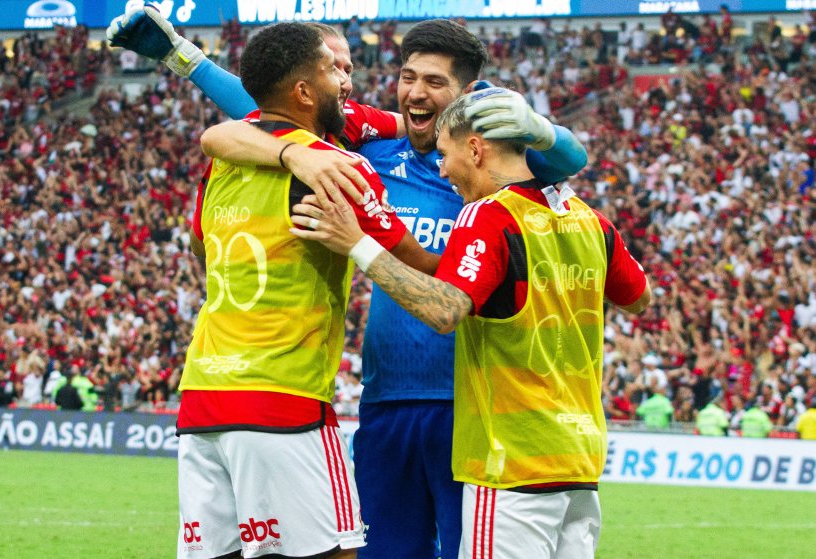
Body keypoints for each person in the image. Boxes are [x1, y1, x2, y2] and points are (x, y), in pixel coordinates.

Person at [109, 10, 588, 559]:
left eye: (435, 82)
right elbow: (269, 114)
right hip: (386, 405)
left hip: (474, 404)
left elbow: (572, 159)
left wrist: (538, 126)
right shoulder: (370, 149)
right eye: (409, 77)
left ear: (468, 94)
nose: (416, 92)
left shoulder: (496, 163)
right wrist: (184, 60)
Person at [291, 88, 650, 559]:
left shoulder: (487, 214)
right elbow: (639, 298)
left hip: (510, 463)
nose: (441, 168)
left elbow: (444, 310)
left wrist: (357, 244)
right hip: (579, 462)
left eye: (445, 154)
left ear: (476, 149)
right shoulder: (590, 221)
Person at [176, 22, 438, 559]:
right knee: (338, 551)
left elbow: (200, 249)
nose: (346, 83)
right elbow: (421, 264)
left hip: (203, 397)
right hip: (284, 398)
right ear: (303, 91)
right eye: (334, 71)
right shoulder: (337, 167)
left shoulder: (223, 161)